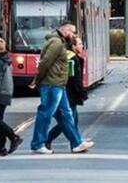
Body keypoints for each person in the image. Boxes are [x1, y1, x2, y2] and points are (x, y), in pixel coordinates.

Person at [29, 21, 93, 154]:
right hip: (52, 83)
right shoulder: (56, 43)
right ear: (65, 31)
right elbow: (45, 62)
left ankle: (77, 143)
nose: (73, 35)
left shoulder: (59, 42)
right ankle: (37, 144)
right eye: (72, 32)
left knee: (66, 115)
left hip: (58, 84)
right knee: (46, 113)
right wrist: (37, 79)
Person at [46, 36, 87, 151]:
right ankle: (48, 139)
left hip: (67, 93)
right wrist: (82, 92)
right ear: (73, 46)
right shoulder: (72, 59)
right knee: (66, 122)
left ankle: (76, 143)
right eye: (79, 44)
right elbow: (74, 80)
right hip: (69, 95)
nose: (81, 46)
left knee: (74, 120)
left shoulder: (70, 57)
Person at [0, 38, 21, 156]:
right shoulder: (5, 59)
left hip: (0, 93)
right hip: (6, 92)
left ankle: (13, 137)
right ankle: (1, 146)